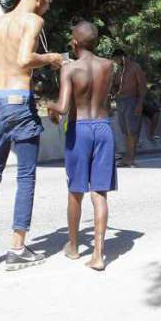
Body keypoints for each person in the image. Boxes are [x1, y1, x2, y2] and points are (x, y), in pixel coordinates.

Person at [0, 0, 64, 272]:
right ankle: (17, 249)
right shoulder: (33, 21)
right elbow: (25, 59)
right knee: (25, 177)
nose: (46, 9)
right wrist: (51, 58)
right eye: (47, 4)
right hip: (18, 102)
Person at [47, 21, 117, 272]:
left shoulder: (69, 69)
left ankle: (74, 247)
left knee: (76, 190)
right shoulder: (108, 66)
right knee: (100, 193)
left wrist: (49, 106)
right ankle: (99, 255)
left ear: (74, 42)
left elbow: (64, 108)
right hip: (103, 128)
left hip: (80, 129)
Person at [112, 49, 147, 167]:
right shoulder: (119, 70)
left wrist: (140, 104)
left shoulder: (135, 67)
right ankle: (127, 158)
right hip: (120, 101)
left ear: (123, 57)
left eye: (117, 59)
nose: (116, 62)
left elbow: (142, 86)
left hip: (132, 101)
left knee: (132, 131)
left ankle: (131, 158)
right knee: (126, 131)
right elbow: (116, 85)